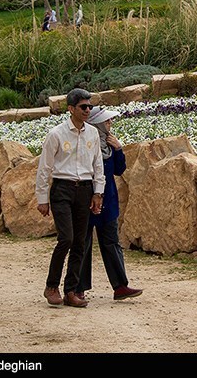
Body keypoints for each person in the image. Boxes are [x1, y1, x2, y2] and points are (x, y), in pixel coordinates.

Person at [35, 88, 105, 308]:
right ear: (71, 109)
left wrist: (98, 192)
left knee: (80, 242)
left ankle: (72, 290)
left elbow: (97, 165)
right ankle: (51, 286)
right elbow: (44, 168)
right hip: (62, 189)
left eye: (90, 107)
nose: (87, 110)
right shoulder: (56, 134)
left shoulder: (92, 133)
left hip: (84, 188)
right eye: (83, 107)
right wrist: (42, 198)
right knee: (66, 238)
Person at [78, 106, 143, 302]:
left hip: (109, 200)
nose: (110, 124)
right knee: (83, 244)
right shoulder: (86, 143)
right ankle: (78, 288)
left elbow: (119, 169)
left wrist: (118, 149)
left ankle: (120, 286)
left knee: (111, 242)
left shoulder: (108, 143)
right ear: (96, 123)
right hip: (87, 199)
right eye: (106, 121)